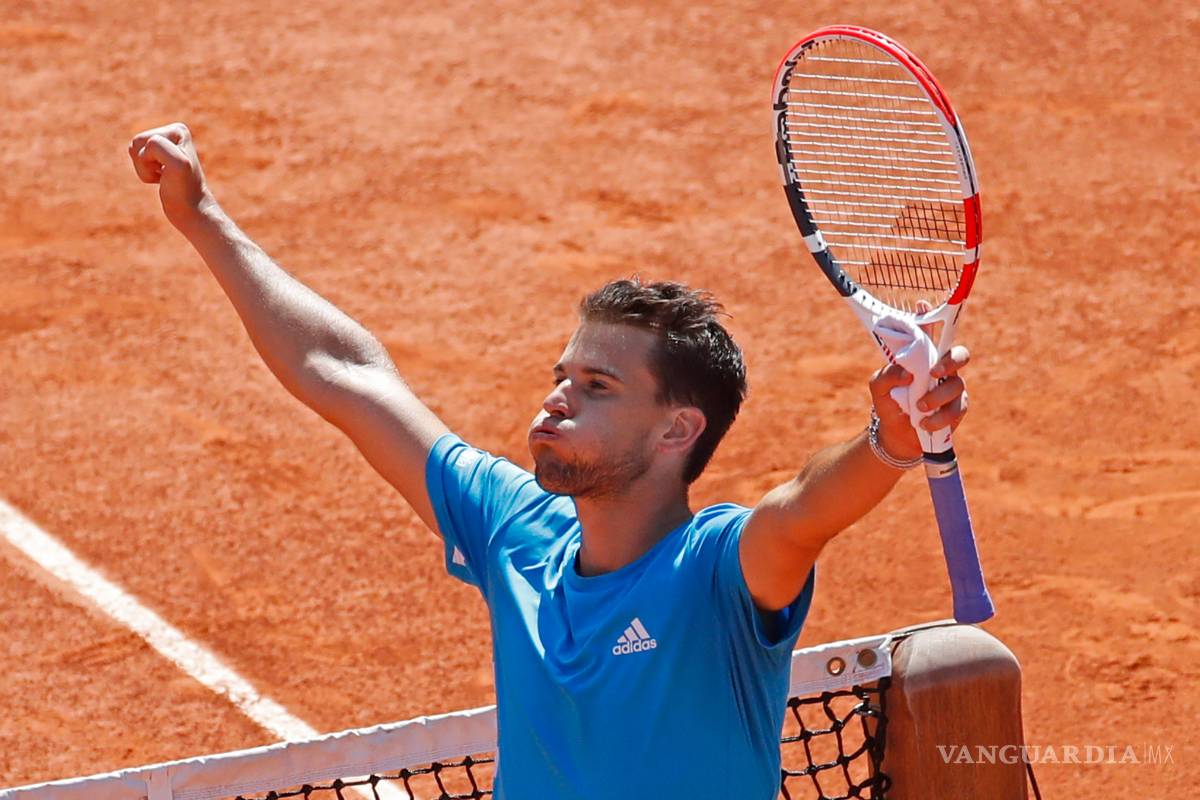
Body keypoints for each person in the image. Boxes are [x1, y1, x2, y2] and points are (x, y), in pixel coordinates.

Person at [128, 122, 970, 799]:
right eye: (562, 376)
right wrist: (203, 217)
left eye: (597, 386)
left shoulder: (716, 571)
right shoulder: (514, 531)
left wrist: (889, 439)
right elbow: (344, 372)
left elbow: (802, 512)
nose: (558, 399)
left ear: (676, 430)